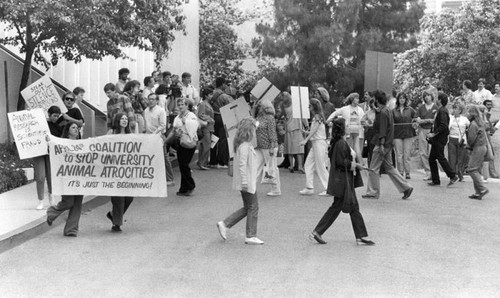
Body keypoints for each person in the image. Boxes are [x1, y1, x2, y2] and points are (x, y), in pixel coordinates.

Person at [309, 117, 374, 246]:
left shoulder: (339, 142)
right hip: (343, 181)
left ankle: (359, 236)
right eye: (347, 125)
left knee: (348, 207)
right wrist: (356, 165)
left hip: (342, 180)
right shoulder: (341, 143)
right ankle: (318, 232)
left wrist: (355, 165)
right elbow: (341, 162)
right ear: (343, 129)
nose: (349, 127)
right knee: (347, 207)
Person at [216, 118, 264, 245]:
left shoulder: (242, 144)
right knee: (253, 207)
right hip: (247, 182)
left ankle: (225, 224)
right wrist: (244, 182)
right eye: (253, 130)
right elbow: (242, 165)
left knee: (248, 207)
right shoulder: (245, 146)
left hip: (246, 181)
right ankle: (250, 235)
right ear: (249, 131)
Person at [362, 90, 414, 200]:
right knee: (390, 167)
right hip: (388, 143)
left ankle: (373, 191)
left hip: (381, 143)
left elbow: (383, 130)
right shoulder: (387, 111)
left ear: (377, 100)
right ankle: (406, 187)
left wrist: (381, 144)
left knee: (373, 168)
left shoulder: (383, 113)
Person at [46, 122, 84, 237]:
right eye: (73, 127)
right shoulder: (61, 143)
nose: (76, 129)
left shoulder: (82, 143)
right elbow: (53, 153)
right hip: (67, 178)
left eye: (77, 128)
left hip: (80, 177)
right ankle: (52, 213)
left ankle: (71, 229)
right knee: (68, 202)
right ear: (67, 130)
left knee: (77, 204)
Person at [105, 113, 134, 232]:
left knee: (129, 198)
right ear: (117, 120)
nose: (124, 120)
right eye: (122, 118)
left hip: (127, 170)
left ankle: (114, 215)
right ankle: (116, 224)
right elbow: (104, 147)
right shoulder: (111, 133)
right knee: (118, 198)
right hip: (114, 170)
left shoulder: (130, 134)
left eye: (126, 119)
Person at [427, 93, 459, 186]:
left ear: (440, 100)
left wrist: (434, 133)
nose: (436, 99)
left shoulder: (442, 111)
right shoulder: (440, 110)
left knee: (440, 156)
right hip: (438, 138)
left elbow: (443, 125)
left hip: (440, 138)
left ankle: (452, 176)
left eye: (437, 98)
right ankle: (436, 180)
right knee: (432, 159)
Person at [299, 98, 329, 196]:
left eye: (310, 106)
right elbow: (315, 130)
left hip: (318, 143)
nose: (308, 107)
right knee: (308, 165)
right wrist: (306, 133)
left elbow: (315, 130)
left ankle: (329, 188)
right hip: (317, 142)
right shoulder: (318, 117)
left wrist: (305, 139)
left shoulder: (317, 116)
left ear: (313, 107)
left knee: (320, 167)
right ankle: (309, 187)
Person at [144, 93, 174, 186]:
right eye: (149, 99)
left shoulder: (161, 111)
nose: (151, 101)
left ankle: (170, 179)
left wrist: (154, 134)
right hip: (148, 137)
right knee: (150, 158)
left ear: (157, 101)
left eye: (153, 99)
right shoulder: (146, 111)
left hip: (159, 136)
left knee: (164, 158)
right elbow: (146, 125)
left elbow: (162, 125)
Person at [326, 92, 365, 162]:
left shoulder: (360, 110)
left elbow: (363, 119)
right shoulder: (345, 109)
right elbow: (335, 113)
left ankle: (359, 165)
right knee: (348, 150)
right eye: (356, 98)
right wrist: (328, 120)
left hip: (358, 133)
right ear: (352, 99)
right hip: (348, 132)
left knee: (358, 151)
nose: (358, 100)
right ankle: (349, 164)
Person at [254, 99, 281, 197]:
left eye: (259, 106)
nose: (258, 107)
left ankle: (276, 189)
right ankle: (251, 188)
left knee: (272, 168)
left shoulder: (270, 118)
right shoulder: (258, 117)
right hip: (260, 146)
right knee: (256, 166)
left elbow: (272, 133)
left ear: (264, 108)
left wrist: (272, 146)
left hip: (268, 146)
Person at [172, 98, 199, 196]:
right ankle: (183, 188)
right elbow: (175, 128)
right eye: (179, 104)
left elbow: (194, 127)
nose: (180, 106)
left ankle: (190, 185)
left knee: (184, 164)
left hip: (189, 142)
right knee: (182, 165)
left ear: (187, 105)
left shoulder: (191, 116)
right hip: (180, 142)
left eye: (182, 104)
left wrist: (185, 122)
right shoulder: (178, 117)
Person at [466, 105, 489, 200]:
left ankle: (482, 189)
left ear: (472, 113)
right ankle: (478, 192)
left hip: (477, 148)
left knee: (471, 169)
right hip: (483, 147)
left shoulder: (473, 124)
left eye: (468, 112)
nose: (467, 114)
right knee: (477, 169)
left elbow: (471, 139)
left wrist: (467, 146)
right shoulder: (480, 123)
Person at [209, 77, 232, 168]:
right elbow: (230, 107)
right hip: (222, 117)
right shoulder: (224, 96)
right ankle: (222, 161)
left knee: (214, 139)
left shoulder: (211, 93)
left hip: (213, 117)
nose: (226, 86)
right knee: (223, 139)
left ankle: (212, 161)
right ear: (222, 84)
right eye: (225, 84)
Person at [392, 92, 417, 179]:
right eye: (400, 98)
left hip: (408, 134)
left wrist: (415, 123)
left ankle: (407, 172)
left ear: (406, 99)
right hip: (397, 135)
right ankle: (400, 172)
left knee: (407, 154)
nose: (402, 99)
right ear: (398, 100)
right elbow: (391, 123)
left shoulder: (410, 109)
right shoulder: (394, 110)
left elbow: (416, 118)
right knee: (399, 154)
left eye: (403, 98)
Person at [282, 92, 308, 173]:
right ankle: (300, 166)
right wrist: (306, 125)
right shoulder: (297, 106)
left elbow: (284, 118)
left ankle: (291, 166)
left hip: (288, 129)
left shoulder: (284, 107)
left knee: (290, 148)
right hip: (297, 127)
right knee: (299, 148)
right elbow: (303, 116)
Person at [415, 91, 438, 180]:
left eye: (428, 95)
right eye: (425, 96)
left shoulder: (435, 107)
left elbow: (434, 120)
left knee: (431, 152)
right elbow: (417, 118)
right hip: (422, 130)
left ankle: (433, 171)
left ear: (431, 96)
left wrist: (425, 120)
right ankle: (428, 172)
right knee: (423, 152)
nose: (427, 97)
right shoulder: (421, 107)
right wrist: (418, 120)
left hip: (432, 131)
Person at [448, 102, 469, 182]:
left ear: (460, 110)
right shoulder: (450, 118)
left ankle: (460, 174)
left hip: (461, 140)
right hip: (452, 138)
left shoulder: (464, 119)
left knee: (461, 158)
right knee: (452, 158)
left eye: (456, 108)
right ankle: (452, 175)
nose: (454, 110)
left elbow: (468, 126)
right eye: (453, 108)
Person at [196, 87, 215, 170]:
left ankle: (203, 162)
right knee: (206, 145)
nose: (212, 96)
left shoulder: (207, 103)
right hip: (206, 127)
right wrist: (210, 119)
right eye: (210, 94)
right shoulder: (203, 104)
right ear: (206, 96)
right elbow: (201, 114)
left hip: (209, 127)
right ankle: (201, 162)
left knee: (206, 145)